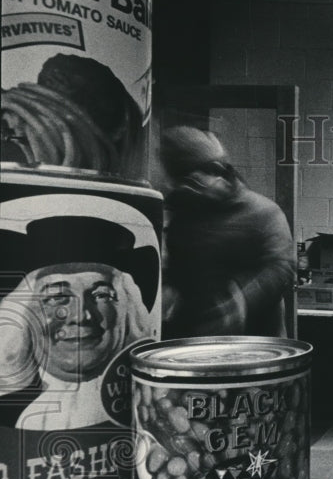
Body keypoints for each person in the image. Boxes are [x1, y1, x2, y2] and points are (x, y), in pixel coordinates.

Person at [0, 217, 158, 429]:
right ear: (24, 313)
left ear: (128, 308)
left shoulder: (147, 401)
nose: (81, 316)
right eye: (56, 297)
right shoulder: (6, 413)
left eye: (101, 295)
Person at [157, 126, 296, 339]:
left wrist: (242, 300)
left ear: (217, 172)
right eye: (181, 184)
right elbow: (179, 270)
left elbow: (282, 268)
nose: (190, 192)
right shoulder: (184, 217)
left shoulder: (261, 212)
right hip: (196, 338)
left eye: (194, 182)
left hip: (255, 340)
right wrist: (168, 291)